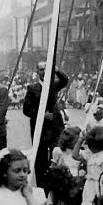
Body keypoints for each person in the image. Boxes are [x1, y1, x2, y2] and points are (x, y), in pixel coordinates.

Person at [22, 60, 68, 188]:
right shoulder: (32, 88)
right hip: (40, 128)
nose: (44, 71)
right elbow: (26, 110)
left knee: (56, 153)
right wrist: (42, 115)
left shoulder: (53, 85)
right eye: (41, 69)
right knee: (40, 156)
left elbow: (65, 80)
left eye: (46, 69)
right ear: (37, 72)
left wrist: (57, 70)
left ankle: (55, 183)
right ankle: (42, 185)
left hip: (55, 127)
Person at [50, 126, 84, 205]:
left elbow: (83, 167)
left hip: (77, 184)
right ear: (68, 141)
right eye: (76, 141)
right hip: (64, 185)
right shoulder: (58, 151)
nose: (77, 143)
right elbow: (53, 167)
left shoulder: (81, 153)